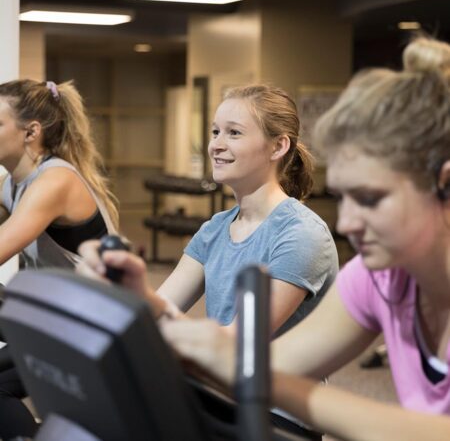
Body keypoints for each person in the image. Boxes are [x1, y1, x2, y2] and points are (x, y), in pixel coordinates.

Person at [160, 36, 450, 441]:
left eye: (370, 198)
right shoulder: (375, 279)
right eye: (343, 197)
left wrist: (225, 360)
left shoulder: (304, 235)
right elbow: (264, 368)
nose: (347, 223)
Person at [80, 84, 338, 336]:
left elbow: (238, 345)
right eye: (215, 132)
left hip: (271, 379)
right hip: (219, 377)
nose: (216, 145)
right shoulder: (215, 229)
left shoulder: (301, 235)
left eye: (234, 133)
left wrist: (141, 295)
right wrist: (114, 286)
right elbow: (152, 315)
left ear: (278, 146)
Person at [0, 78, 118, 439]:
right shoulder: (12, 183)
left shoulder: (55, 182)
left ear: (30, 131)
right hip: (60, 322)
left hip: (98, 332)